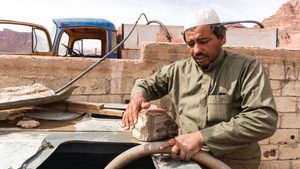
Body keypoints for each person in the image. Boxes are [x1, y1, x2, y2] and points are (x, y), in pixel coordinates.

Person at [122, 8, 278, 169]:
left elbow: (264, 119)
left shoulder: (247, 67)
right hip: (189, 160)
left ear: (222, 38)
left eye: (203, 41)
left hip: (233, 164)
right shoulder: (178, 70)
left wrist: (201, 137)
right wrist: (137, 97)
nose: (196, 50)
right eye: (190, 44)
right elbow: (145, 84)